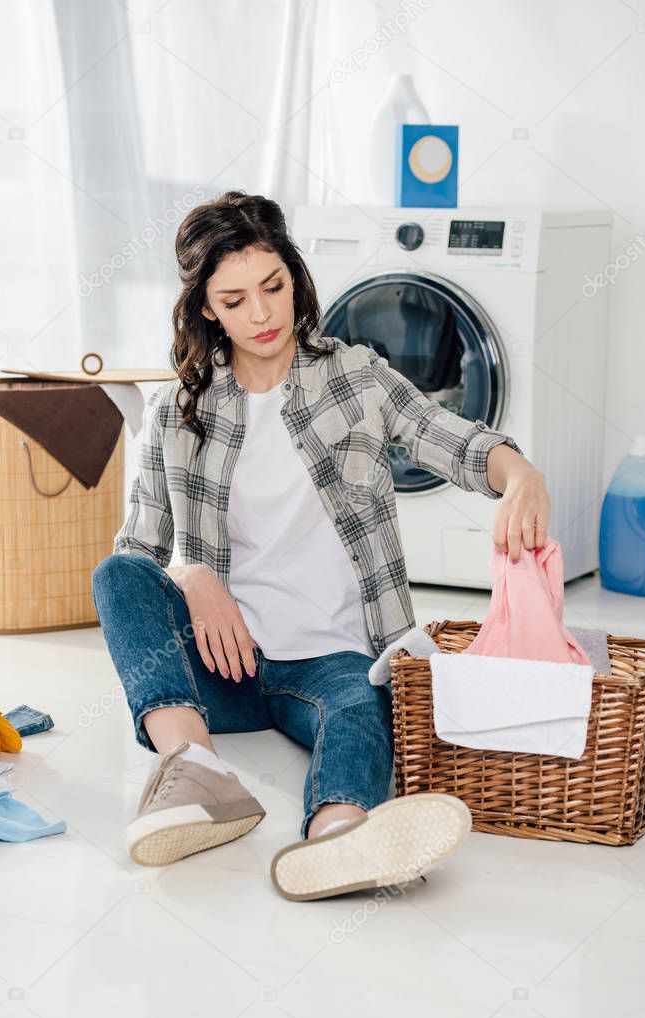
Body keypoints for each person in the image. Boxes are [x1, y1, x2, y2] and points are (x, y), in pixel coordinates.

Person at [92, 190, 550, 901]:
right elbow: (137, 560)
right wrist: (189, 572)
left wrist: (519, 473)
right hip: (226, 660)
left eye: (273, 287)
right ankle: (196, 767)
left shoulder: (354, 377)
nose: (263, 314)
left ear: (295, 278)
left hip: (334, 656)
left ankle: (338, 836)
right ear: (206, 308)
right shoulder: (176, 413)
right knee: (114, 574)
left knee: (363, 710)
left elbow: (457, 441)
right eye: (236, 299)